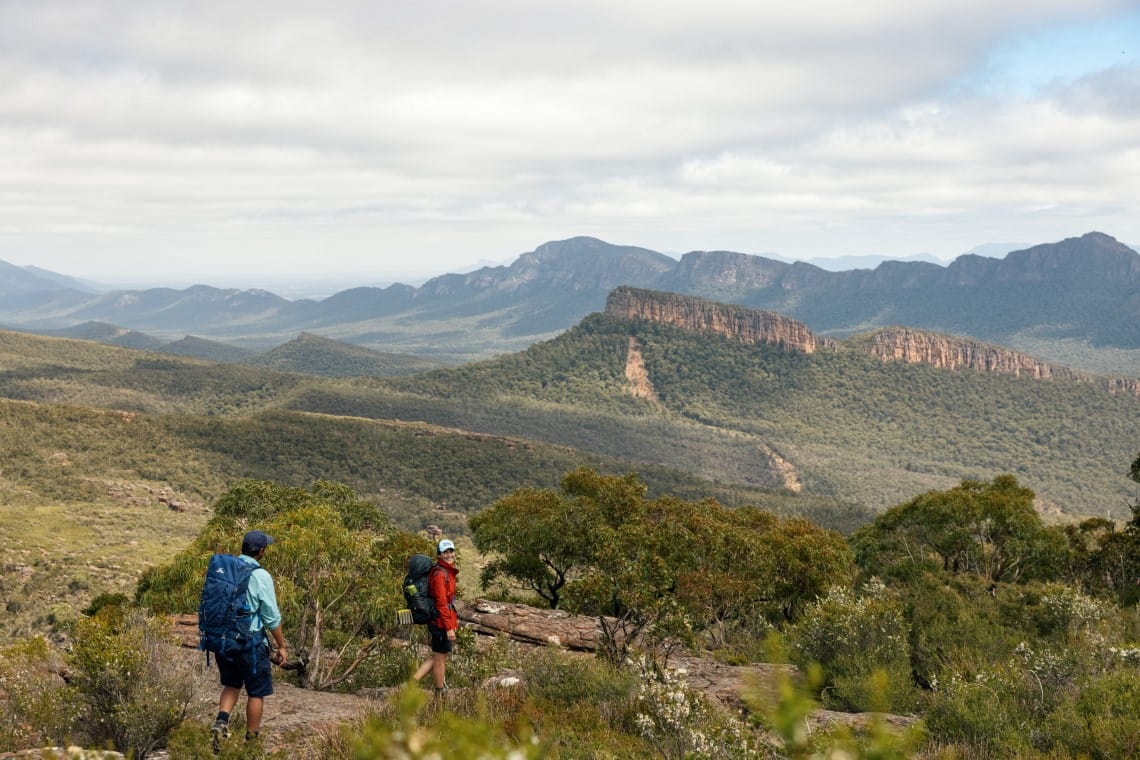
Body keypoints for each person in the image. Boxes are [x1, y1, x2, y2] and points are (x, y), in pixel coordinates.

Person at [210, 530, 287, 750]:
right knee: (256, 692)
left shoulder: (226, 569)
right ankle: (251, 741)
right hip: (250, 642)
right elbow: (271, 617)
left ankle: (221, 721)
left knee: (231, 684)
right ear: (261, 551)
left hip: (224, 639)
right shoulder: (260, 575)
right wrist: (281, 646)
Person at [411, 538, 459, 693]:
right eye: (445, 552)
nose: (449, 555)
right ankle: (439, 693)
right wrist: (449, 627)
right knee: (440, 658)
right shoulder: (440, 574)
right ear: (439, 555)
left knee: (439, 655)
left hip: (441, 619)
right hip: (439, 621)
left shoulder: (447, 571)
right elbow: (441, 603)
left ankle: (411, 683)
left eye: (450, 551)